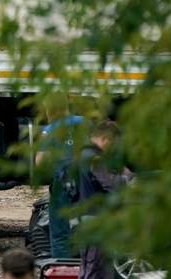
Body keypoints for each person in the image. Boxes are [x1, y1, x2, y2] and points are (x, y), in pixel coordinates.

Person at [77, 120, 134, 279]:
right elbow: (112, 184)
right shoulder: (94, 159)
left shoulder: (85, 154)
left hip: (91, 220)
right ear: (105, 138)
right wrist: (128, 178)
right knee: (93, 271)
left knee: (99, 270)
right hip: (95, 222)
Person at [36, 113, 85, 259]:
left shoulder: (50, 129)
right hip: (88, 181)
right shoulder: (87, 123)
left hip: (63, 182)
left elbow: (40, 163)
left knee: (59, 232)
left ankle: (62, 269)